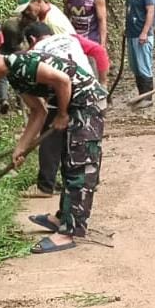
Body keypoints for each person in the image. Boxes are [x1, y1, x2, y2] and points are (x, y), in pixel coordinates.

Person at [0, 45, 107, 254]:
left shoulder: (21, 63)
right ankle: (63, 217)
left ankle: (69, 231)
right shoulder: (15, 76)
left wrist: (61, 114)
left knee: (79, 164)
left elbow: (63, 80)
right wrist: (20, 148)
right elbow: (38, 112)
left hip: (87, 103)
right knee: (67, 160)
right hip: (73, 105)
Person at [23, 22, 97, 200]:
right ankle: (87, 181)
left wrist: (61, 112)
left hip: (66, 90)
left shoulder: (35, 51)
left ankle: (45, 186)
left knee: (51, 139)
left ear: (32, 39)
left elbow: (50, 84)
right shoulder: (70, 39)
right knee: (82, 139)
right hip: (90, 89)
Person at [123, 0, 155, 106]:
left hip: (142, 35)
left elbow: (150, 11)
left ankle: (148, 98)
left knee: (144, 66)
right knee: (135, 66)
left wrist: (144, 32)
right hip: (132, 34)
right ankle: (140, 96)